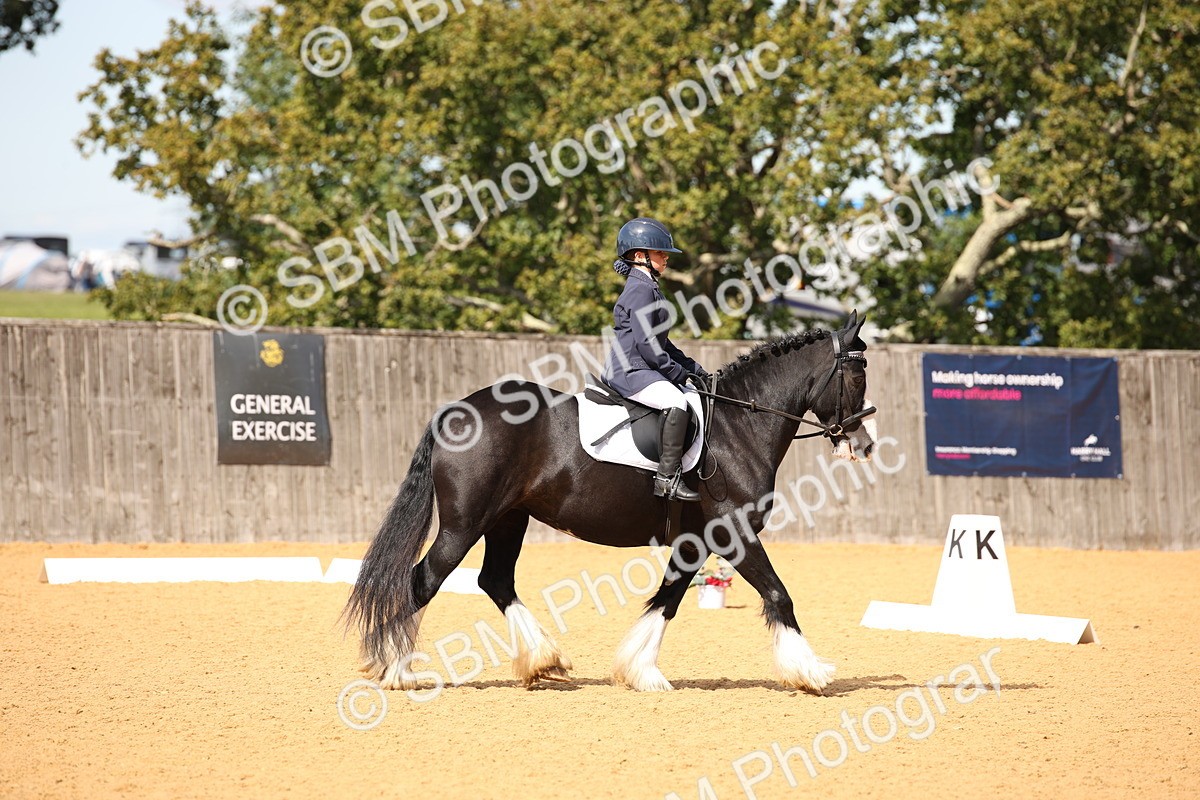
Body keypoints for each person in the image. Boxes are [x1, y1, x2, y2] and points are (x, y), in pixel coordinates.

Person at [602, 217, 710, 502]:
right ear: (640, 256)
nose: (665, 257)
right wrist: (676, 374)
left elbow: (662, 341)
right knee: (676, 401)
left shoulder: (648, 287)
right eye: (660, 252)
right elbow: (647, 345)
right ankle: (666, 478)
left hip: (641, 366)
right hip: (631, 370)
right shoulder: (639, 289)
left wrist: (693, 368)